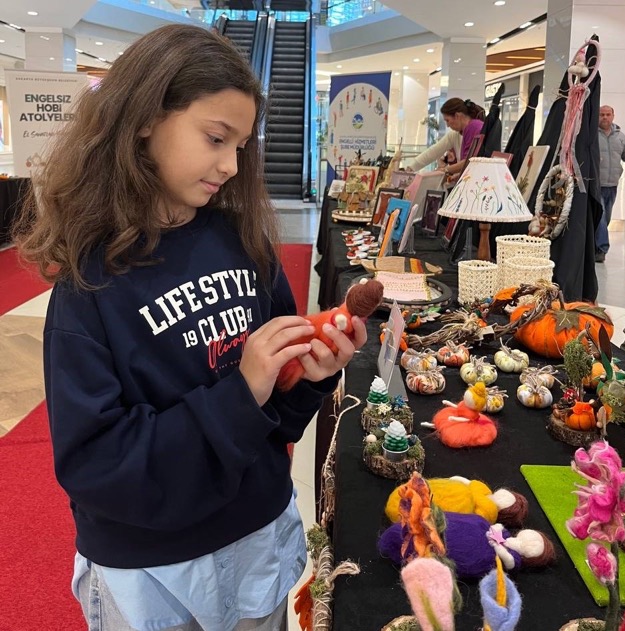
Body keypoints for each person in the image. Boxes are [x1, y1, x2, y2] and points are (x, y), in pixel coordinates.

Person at [13, 24, 366, 631]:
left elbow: (277, 420)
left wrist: (309, 374)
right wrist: (241, 391)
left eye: (242, 146)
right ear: (146, 118)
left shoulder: (244, 242)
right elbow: (96, 466)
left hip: (257, 536)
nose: (231, 165)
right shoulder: (90, 284)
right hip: (155, 570)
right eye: (215, 138)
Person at [596, 105, 625, 262]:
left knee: (606, 218)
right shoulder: (592, 136)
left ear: (613, 116)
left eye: (608, 114)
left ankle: (595, 245)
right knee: (600, 216)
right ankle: (601, 249)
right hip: (596, 185)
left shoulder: (620, 137)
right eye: (602, 114)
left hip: (612, 185)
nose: (605, 117)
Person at [406, 97, 485, 177]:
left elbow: (468, 162)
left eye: (447, 120)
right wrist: (411, 168)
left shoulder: (473, 127)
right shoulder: (461, 132)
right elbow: (434, 152)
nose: (447, 125)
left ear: (457, 116)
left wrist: (445, 170)